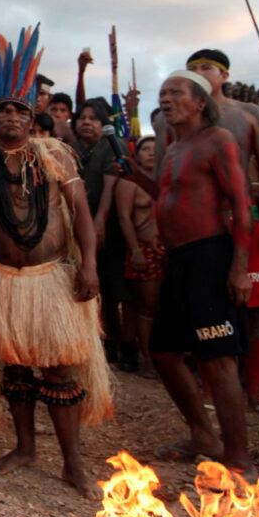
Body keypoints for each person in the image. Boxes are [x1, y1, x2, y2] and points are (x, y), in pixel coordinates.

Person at [0, 27, 110, 499]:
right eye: (2, 111)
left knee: (59, 371)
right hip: (0, 280)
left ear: (31, 116)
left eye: (19, 110)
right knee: (14, 369)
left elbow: (81, 214)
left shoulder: (57, 155)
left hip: (51, 280)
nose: (11, 118)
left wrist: (90, 265)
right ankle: (24, 448)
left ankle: (73, 463)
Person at [124, 69, 256, 479]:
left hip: (211, 256)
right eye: (162, 94)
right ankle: (203, 435)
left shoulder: (218, 141)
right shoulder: (174, 146)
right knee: (163, 353)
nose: (166, 99)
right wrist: (136, 175)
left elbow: (241, 204)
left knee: (217, 360)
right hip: (178, 260)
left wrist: (240, 268)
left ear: (201, 102)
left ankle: (239, 460)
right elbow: (170, 197)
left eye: (176, 93)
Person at [171, 49, 259, 414]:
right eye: (193, 70)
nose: (200, 73)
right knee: (204, 310)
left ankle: (254, 392)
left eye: (207, 68)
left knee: (250, 307)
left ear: (225, 75)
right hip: (198, 228)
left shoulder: (247, 115)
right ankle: (209, 392)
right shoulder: (174, 122)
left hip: (244, 220)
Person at [72, 98, 132, 369]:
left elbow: (109, 189)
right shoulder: (70, 149)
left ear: (104, 123)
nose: (86, 122)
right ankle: (99, 341)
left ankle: (126, 344)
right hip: (74, 225)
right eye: (82, 117)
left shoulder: (110, 147)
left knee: (113, 287)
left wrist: (99, 222)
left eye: (93, 118)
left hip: (108, 224)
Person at [114, 136, 161, 378]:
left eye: (156, 149)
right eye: (146, 149)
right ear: (137, 155)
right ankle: (148, 360)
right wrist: (135, 250)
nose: (151, 153)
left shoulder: (166, 179)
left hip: (169, 248)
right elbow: (124, 217)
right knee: (146, 307)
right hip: (143, 247)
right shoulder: (129, 183)